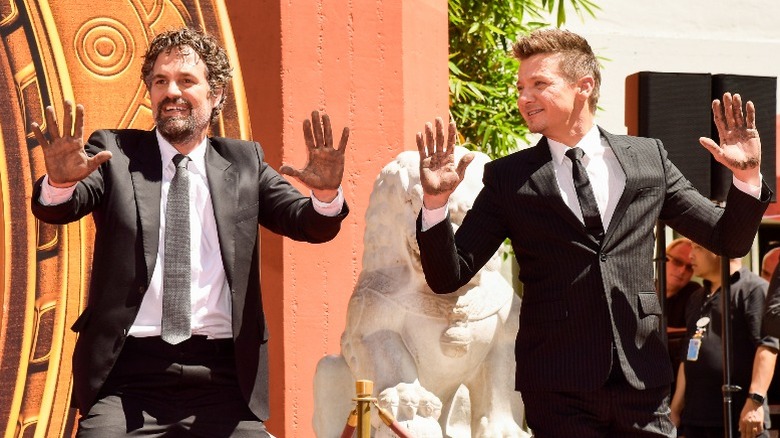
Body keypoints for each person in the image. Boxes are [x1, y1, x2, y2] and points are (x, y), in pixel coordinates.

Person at [414, 28, 770, 437]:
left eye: (539, 84)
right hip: (557, 387)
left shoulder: (647, 159)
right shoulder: (508, 178)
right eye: (520, 87)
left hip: (643, 380)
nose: (523, 98)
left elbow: (729, 239)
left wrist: (746, 178)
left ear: (584, 86)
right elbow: (448, 275)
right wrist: (436, 204)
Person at [29, 27, 349, 437]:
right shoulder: (114, 153)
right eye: (160, 81)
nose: (171, 92)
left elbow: (308, 223)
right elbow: (61, 207)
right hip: (128, 380)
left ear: (216, 96)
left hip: (223, 381)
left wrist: (325, 194)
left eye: (186, 81)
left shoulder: (245, 162)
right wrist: (60, 184)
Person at [669, 243, 777, 438]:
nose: (691, 255)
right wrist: (675, 411)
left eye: (697, 248)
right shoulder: (696, 298)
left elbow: (768, 347)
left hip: (739, 420)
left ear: (717, 250)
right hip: (696, 421)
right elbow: (688, 358)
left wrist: (755, 402)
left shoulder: (754, 289)